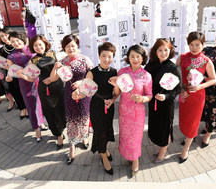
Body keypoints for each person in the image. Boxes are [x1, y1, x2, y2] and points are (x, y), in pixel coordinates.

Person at [50, 34, 93, 165]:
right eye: (67, 46)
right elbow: (53, 79)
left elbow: (92, 76)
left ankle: (84, 138)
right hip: (69, 94)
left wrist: (81, 82)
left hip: (84, 93)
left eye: (73, 46)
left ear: (77, 46)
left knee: (84, 117)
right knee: (71, 120)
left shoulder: (85, 59)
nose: (70, 49)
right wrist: (54, 67)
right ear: (64, 48)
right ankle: (72, 145)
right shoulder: (62, 62)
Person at [176, 32, 216, 163]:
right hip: (184, 95)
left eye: (197, 45)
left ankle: (186, 149)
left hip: (197, 96)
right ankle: (188, 136)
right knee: (184, 120)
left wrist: (200, 87)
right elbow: (176, 75)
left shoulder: (206, 60)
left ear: (203, 45)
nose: (194, 47)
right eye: (191, 44)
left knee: (193, 122)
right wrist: (180, 89)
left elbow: (213, 79)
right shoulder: (181, 57)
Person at [84, 42, 120, 175]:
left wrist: (113, 98)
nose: (106, 59)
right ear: (99, 56)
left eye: (109, 56)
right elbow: (86, 91)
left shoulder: (114, 72)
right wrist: (78, 92)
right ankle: (104, 155)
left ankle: (104, 149)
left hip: (109, 105)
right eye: (103, 56)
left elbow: (117, 92)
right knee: (100, 130)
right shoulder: (91, 73)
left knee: (107, 128)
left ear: (113, 57)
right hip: (96, 106)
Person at [145, 38, 182, 163]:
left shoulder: (173, 67)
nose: (163, 53)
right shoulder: (151, 65)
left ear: (170, 50)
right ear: (155, 51)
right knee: (155, 126)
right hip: (153, 102)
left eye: (166, 50)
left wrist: (166, 96)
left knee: (165, 128)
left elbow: (178, 88)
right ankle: (161, 146)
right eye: (160, 50)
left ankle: (163, 150)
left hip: (166, 104)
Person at [118, 45, 152, 177]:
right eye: (132, 56)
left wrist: (142, 98)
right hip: (124, 111)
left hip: (137, 113)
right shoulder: (122, 72)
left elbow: (149, 96)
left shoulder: (146, 75)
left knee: (135, 138)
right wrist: (115, 84)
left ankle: (135, 160)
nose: (135, 59)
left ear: (143, 58)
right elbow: (117, 91)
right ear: (128, 58)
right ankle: (128, 156)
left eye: (138, 56)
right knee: (125, 136)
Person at [7, 31, 46, 142]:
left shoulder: (33, 48)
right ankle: (36, 130)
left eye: (18, 40)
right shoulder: (11, 56)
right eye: (12, 41)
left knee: (41, 102)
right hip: (25, 83)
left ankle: (42, 123)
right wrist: (9, 77)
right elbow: (11, 72)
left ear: (23, 39)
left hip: (40, 80)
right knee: (31, 105)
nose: (15, 43)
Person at [30, 35, 66, 151]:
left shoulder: (53, 54)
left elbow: (60, 69)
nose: (38, 47)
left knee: (60, 109)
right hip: (44, 88)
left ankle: (61, 131)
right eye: (35, 45)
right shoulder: (33, 60)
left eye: (40, 44)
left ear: (45, 44)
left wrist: (53, 77)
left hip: (57, 85)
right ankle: (57, 133)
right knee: (49, 112)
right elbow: (32, 77)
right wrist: (22, 74)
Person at [0, 27, 27, 115]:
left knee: (23, 91)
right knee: (14, 90)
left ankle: (27, 108)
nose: (4, 38)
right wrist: (4, 66)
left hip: (23, 72)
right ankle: (22, 108)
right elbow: (0, 61)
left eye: (6, 35)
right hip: (10, 73)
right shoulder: (2, 49)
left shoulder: (19, 45)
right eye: (2, 36)